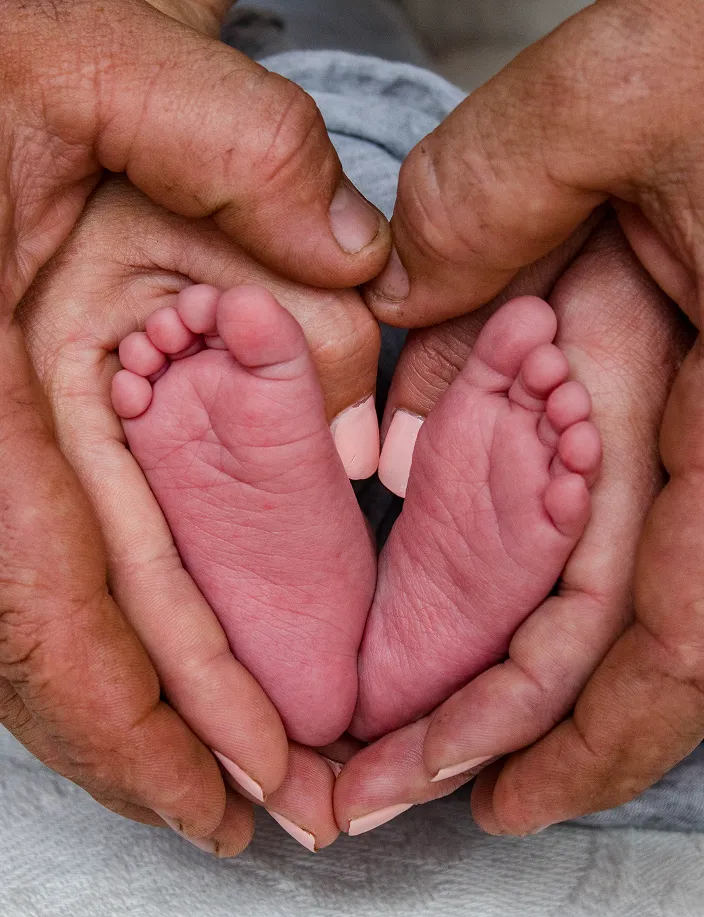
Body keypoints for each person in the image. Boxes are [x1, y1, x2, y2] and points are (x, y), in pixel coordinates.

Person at [0, 0, 700, 861]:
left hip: (219, 183)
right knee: (339, 98)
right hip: (471, 247)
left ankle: (228, 539)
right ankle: (430, 596)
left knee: (282, 73)